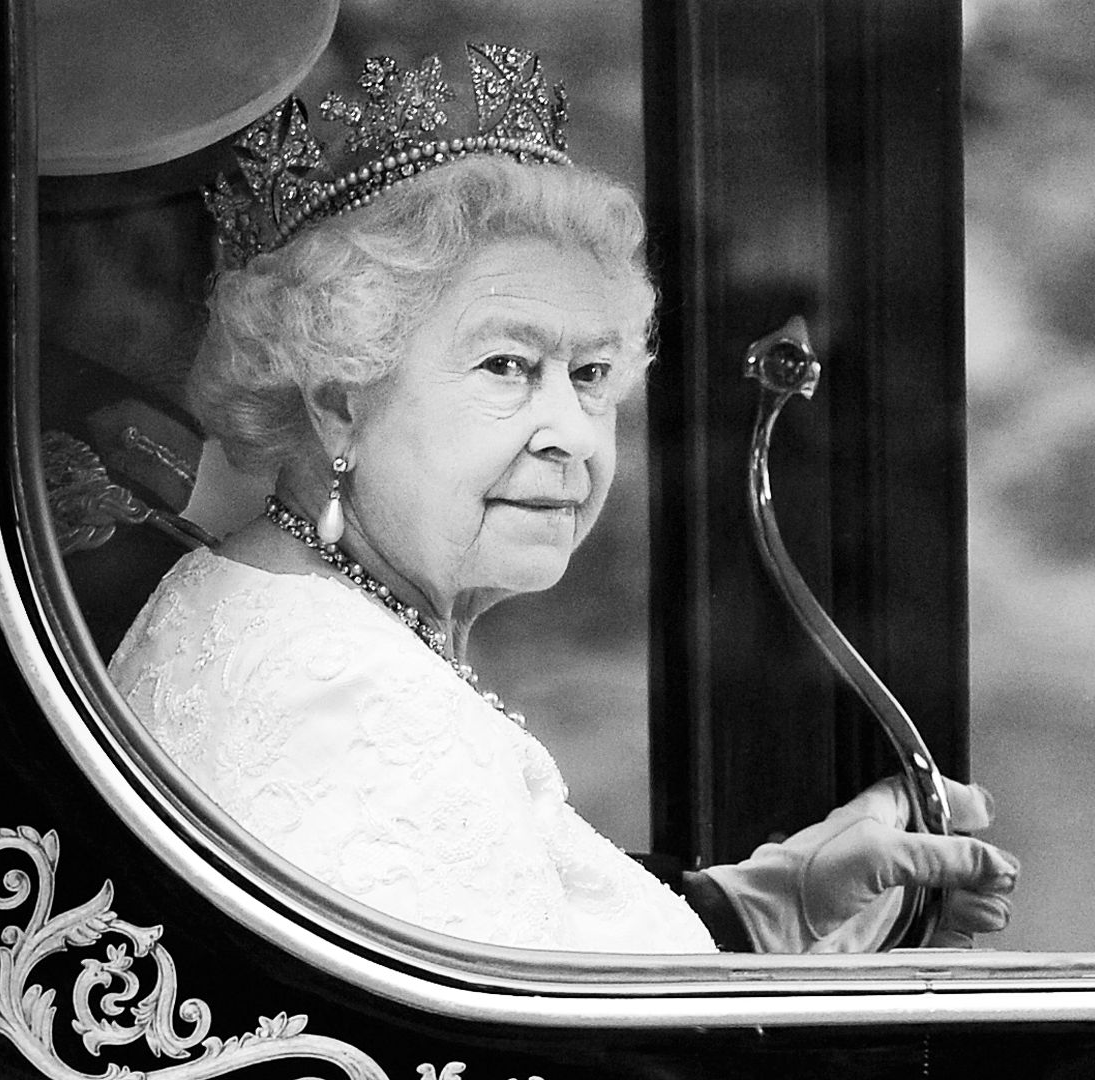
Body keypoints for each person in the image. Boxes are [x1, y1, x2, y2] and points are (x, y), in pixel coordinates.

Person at [109, 47, 1017, 954]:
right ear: (338, 401)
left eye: (590, 375)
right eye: (507, 365)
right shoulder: (349, 700)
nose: (574, 435)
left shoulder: (298, 612)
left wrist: (771, 910)